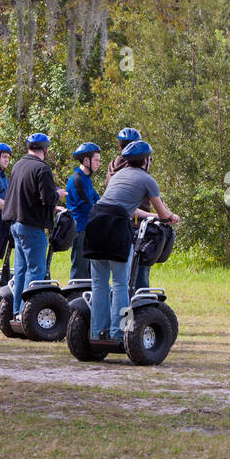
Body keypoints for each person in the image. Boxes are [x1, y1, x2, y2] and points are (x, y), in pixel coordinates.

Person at [84, 140, 179, 346]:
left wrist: (150, 214)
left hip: (96, 221)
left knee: (99, 283)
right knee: (120, 283)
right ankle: (119, 334)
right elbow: (163, 213)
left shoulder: (118, 176)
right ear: (145, 160)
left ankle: (98, 332)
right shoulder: (147, 179)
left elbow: (128, 206)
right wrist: (171, 216)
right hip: (116, 226)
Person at [1, 132, 63, 322]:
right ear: (45, 149)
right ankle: (27, 314)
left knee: (20, 269)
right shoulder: (42, 169)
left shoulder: (18, 165)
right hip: (32, 225)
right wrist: (58, 194)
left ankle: (16, 311)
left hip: (15, 223)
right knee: (36, 270)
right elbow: (46, 197)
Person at [104, 127, 154, 290]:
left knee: (119, 274)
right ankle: (141, 305)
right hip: (137, 223)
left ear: (120, 147)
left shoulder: (112, 169)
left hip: (112, 224)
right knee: (140, 268)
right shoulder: (138, 170)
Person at [65, 142, 102, 280]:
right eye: (96, 160)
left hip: (88, 229)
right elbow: (88, 206)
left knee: (90, 271)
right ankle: (74, 298)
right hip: (80, 229)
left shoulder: (86, 179)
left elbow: (97, 200)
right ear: (86, 160)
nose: (99, 163)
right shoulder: (77, 179)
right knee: (80, 270)